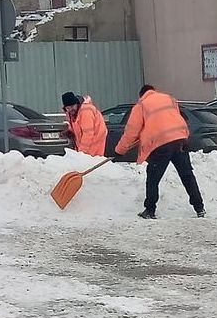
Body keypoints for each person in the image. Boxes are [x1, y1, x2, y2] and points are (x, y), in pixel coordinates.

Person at [115, 83, 204, 219]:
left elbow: (131, 132)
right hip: (180, 139)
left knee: (153, 178)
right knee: (187, 175)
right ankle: (199, 207)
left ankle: (150, 210)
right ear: (153, 91)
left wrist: (119, 150)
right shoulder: (169, 98)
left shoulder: (141, 105)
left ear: (141, 95)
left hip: (161, 144)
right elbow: (176, 118)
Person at [63, 91, 108, 157]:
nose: (70, 109)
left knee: (93, 162)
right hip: (86, 146)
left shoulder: (86, 111)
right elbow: (77, 128)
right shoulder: (73, 113)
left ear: (77, 103)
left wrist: (82, 153)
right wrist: (69, 131)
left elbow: (88, 133)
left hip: (94, 143)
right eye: (67, 108)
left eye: (72, 106)